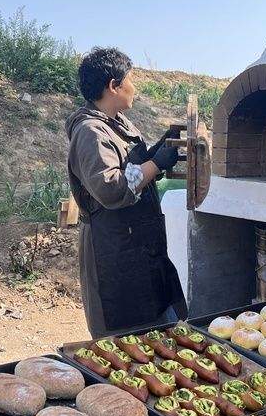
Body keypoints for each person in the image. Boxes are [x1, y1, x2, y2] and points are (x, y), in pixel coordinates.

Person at [66, 47, 188, 338]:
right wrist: (156, 165)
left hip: (136, 246)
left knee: (159, 329)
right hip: (113, 252)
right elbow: (110, 188)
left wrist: (158, 151)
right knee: (126, 343)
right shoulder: (90, 132)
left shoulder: (119, 125)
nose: (135, 87)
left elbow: (131, 165)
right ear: (113, 86)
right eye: (131, 79)